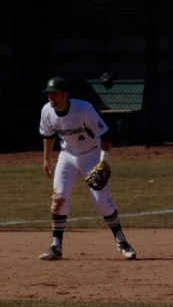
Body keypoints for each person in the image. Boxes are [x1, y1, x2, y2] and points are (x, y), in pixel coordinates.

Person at [38, 76, 136, 261]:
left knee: (101, 202)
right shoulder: (47, 111)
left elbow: (106, 135)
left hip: (91, 155)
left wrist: (104, 162)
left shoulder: (83, 109)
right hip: (67, 157)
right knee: (59, 198)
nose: (51, 97)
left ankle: (122, 241)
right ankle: (56, 247)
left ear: (65, 95)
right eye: (49, 93)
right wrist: (46, 159)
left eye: (55, 93)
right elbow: (48, 135)